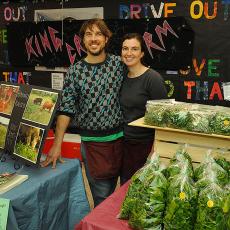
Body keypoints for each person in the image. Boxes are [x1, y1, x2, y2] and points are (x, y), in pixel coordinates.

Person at [41, 18, 125, 207]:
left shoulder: (120, 65)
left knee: (128, 195)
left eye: (98, 34)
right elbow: (66, 108)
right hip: (93, 145)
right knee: (103, 200)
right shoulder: (75, 71)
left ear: (106, 39)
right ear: (82, 40)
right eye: (88, 34)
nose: (93, 39)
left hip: (123, 140)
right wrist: (57, 144)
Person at [119, 33, 167, 185]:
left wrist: (154, 151)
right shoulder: (122, 77)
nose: (129, 53)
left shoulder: (152, 78)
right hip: (124, 144)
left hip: (144, 146)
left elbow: (163, 117)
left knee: (142, 189)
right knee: (125, 189)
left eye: (134, 49)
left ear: (142, 53)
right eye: (125, 48)